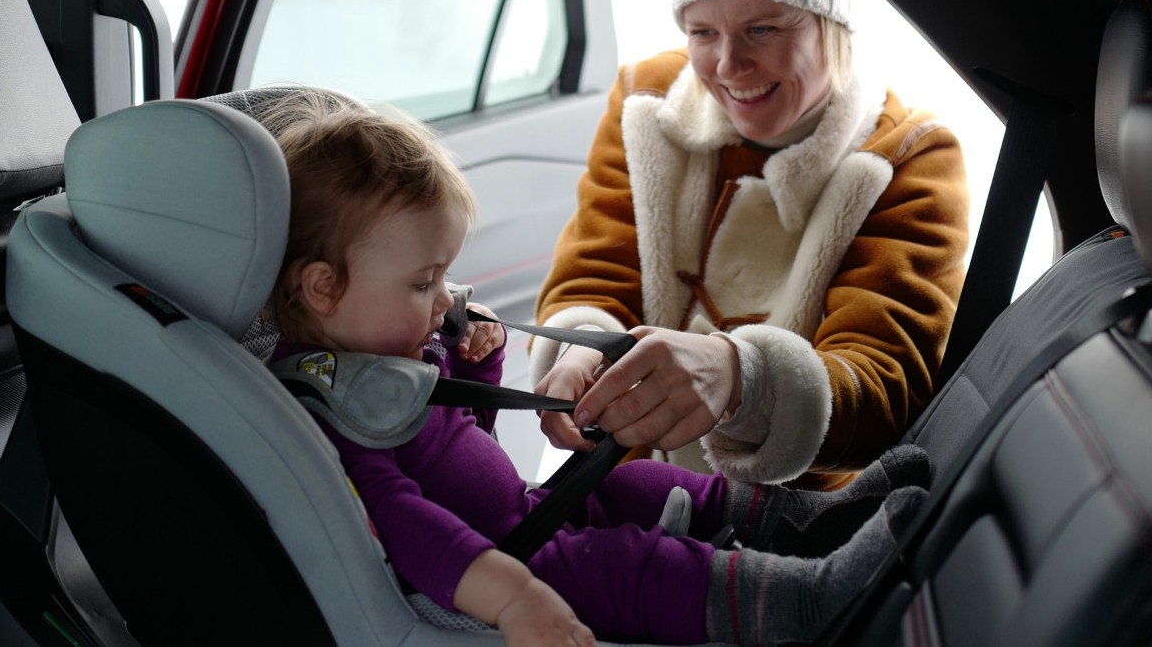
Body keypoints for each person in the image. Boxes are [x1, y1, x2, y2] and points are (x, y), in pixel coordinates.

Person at [259, 92, 933, 646]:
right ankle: (797, 603)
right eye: (423, 282)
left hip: (523, 514)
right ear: (324, 288)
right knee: (623, 568)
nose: (446, 299)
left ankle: (805, 522)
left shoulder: (386, 349)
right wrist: (520, 601)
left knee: (639, 481)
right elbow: (409, 526)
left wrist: (484, 368)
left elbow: (461, 442)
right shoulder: (328, 403)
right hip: (504, 563)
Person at [532, 0, 971, 490]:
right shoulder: (648, 103)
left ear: (832, 26)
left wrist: (744, 378)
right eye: (701, 32)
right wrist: (582, 347)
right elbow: (596, 270)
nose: (727, 66)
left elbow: (885, 384)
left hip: (795, 523)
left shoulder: (908, 158)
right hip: (629, 486)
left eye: (761, 28)